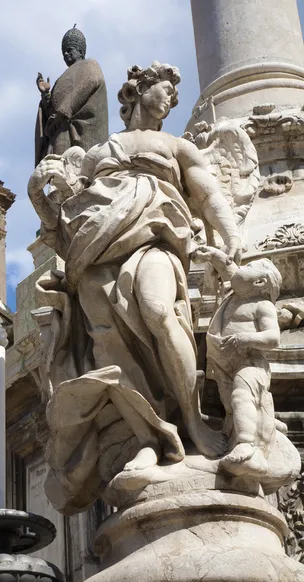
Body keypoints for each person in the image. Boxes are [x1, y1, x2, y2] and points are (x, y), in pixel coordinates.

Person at [29, 62, 243, 513]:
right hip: (93, 249)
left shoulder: (175, 145)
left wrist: (232, 237)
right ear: (137, 91)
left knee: (160, 312)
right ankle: (149, 437)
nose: (170, 101)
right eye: (164, 91)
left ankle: (192, 421)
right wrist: (39, 195)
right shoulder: (95, 153)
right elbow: (62, 217)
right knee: (107, 344)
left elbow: (208, 196)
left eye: (172, 96)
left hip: (156, 236)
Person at [193, 246, 283, 475]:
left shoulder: (262, 306)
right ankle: (235, 436)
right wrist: (211, 255)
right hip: (224, 365)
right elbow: (228, 267)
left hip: (250, 363)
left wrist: (246, 338)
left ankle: (246, 443)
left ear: (260, 283)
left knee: (241, 395)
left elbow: (273, 338)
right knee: (231, 407)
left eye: (250, 267)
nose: (242, 267)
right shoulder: (237, 293)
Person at [35, 26, 108, 166]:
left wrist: (63, 111)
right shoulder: (62, 77)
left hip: (76, 129)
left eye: (70, 50)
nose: (66, 54)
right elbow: (51, 109)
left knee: (67, 170)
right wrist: (45, 94)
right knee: (58, 172)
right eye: (64, 52)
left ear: (80, 50)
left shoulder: (90, 64)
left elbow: (92, 80)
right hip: (59, 130)